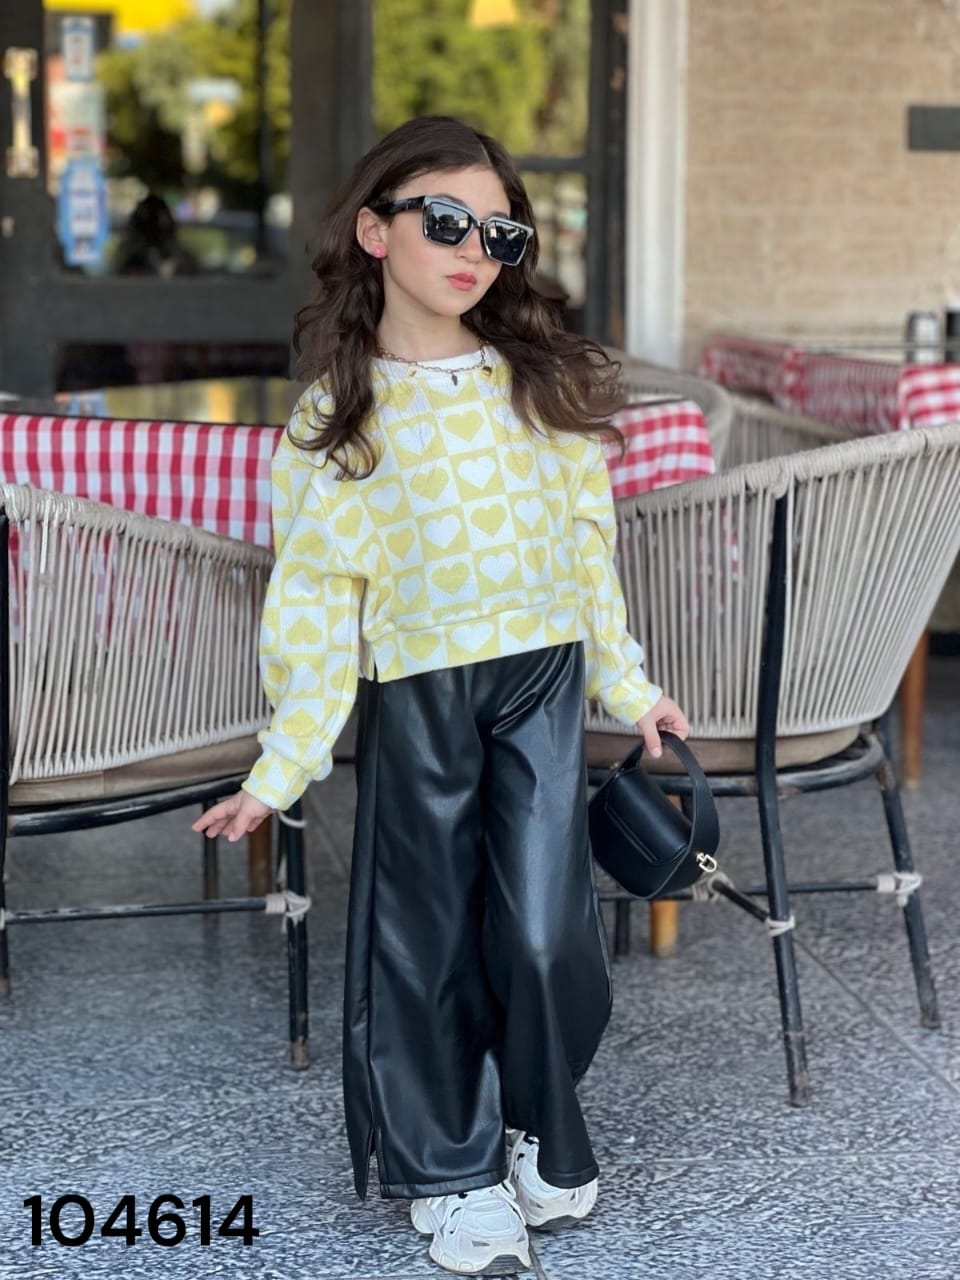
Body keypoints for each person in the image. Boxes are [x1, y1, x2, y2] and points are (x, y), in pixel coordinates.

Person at [193, 115, 689, 1276]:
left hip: (543, 678)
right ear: (376, 231)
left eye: (500, 232)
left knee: (544, 927)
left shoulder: (543, 388)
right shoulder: (335, 419)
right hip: (417, 689)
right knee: (423, 938)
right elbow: (315, 605)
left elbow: (588, 555)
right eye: (448, 220)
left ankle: (535, 1120)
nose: (475, 249)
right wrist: (282, 765)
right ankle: (450, 1169)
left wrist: (630, 684)